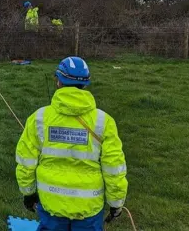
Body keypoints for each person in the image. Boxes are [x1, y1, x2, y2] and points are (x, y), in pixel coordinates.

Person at [15, 56, 128, 230]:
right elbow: (114, 168)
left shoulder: (38, 118)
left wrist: (28, 193)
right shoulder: (103, 122)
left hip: (50, 203)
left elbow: (25, 162)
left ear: (58, 81)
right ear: (86, 83)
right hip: (89, 208)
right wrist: (116, 203)